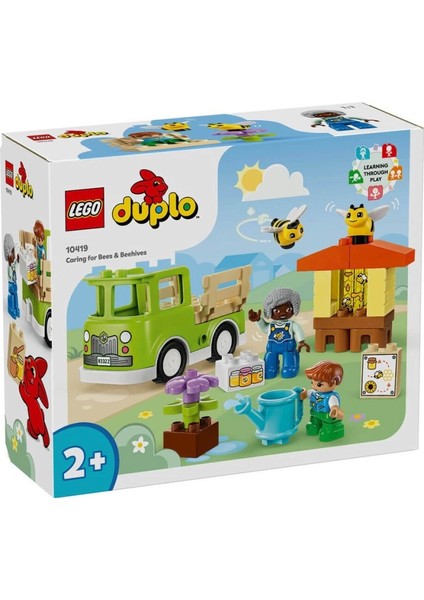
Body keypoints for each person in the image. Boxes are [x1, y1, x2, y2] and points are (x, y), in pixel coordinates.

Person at [248, 288, 310, 379]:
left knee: (289, 362)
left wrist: (301, 342)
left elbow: (298, 330)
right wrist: (258, 320)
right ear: (269, 311)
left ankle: (290, 367)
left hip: (288, 348)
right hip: (272, 348)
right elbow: (264, 328)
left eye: (288, 309)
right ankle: (270, 368)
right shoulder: (271, 325)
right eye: (276, 311)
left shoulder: (292, 324)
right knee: (270, 361)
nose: (282, 313)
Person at [300, 360, 345, 442]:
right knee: (314, 419)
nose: (314, 387)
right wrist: (303, 393)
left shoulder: (331, 396)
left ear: (334, 382)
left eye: (319, 384)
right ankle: (315, 425)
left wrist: (334, 409)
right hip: (315, 412)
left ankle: (330, 429)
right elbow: (306, 394)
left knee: (328, 421)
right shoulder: (314, 392)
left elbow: (334, 405)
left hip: (326, 414)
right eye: (312, 382)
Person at [4, 233, 20, 319]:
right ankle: (12, 308)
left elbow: (16, 267)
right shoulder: (9, 267)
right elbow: (10, 274)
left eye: (13, 252)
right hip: (11, 283)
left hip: (14, 282)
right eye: (12, 254)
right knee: (12, 295)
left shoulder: (12, 264)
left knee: (16, 294)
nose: (13, 255)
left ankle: (16, 308)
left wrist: (17, 260)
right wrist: (11, 265)